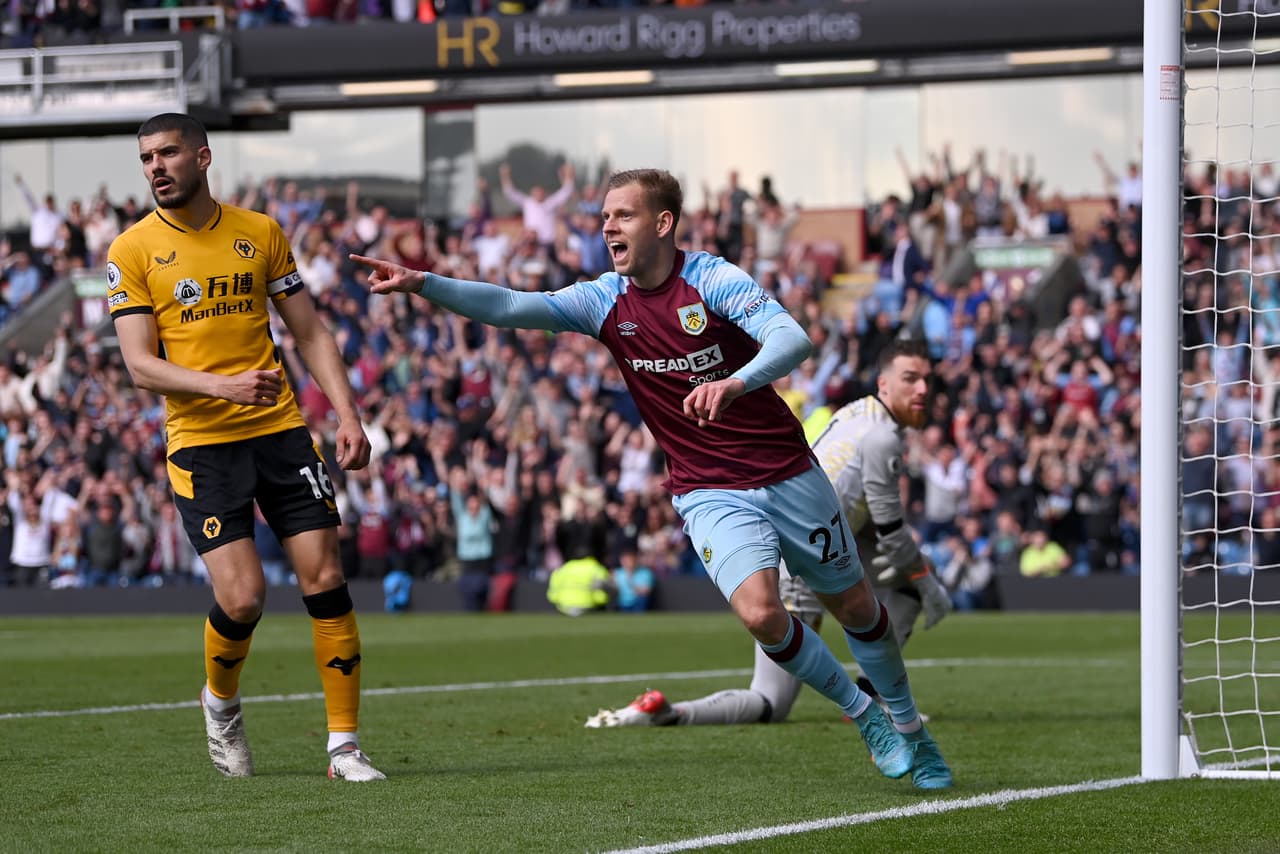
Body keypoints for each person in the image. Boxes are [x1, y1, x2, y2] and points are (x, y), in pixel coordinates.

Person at [350, 169, 951, 790]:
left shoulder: (712, 279)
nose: (608, 226)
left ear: (663, 223)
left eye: (623, 215)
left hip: (787, 471)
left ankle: (912, 729)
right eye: (604, 217)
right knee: (760, 614)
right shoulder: (604, 300)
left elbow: (791, 339)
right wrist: (424, 283)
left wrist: (735, 381)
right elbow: (508, 306)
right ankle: (869, 718)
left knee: (856, 608)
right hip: (707, 489)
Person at [107, 113, 384, 782]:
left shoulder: (259, 232)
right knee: (243, 599)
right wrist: (221, 386)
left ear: (203, 157)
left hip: (281, 431)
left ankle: (344, 748)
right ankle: (220, 703)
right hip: (202, 444)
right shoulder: (132, 250)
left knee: (326, 577)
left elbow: (310, 333)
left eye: (168, 153)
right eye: (146, 158)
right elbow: (140, 365)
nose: (155, 167)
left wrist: (348, 416)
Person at [584, 341, 954, 740]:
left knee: (770, 696)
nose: (922, 390)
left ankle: (669, 713)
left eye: (927, 381)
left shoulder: (853, 414)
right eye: (910, 379)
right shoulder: (882, 437)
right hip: (810, 554)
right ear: (883, 383)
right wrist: (930, 585)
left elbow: (854, 506)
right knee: (775, 699)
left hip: (811, 542)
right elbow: (892, 534)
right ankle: (875, 697)